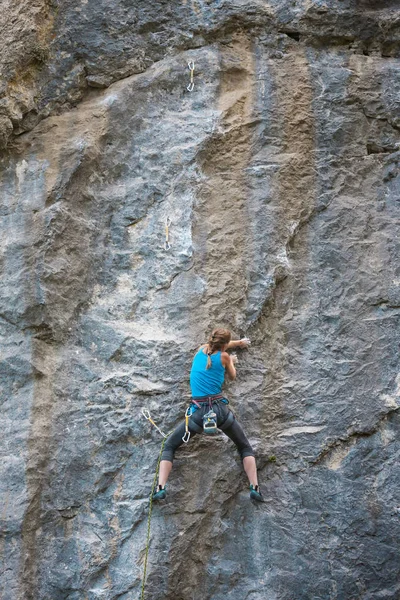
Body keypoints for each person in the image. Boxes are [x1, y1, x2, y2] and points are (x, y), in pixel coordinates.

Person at [152, 328, 263, 502]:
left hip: (199, 413)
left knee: (170, 446)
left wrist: (237, 345)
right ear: (225, 346)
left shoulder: (201, 350)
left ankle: (160, 488)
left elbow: (221, 347)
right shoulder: (225, 357)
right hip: (220, 411)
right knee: (244, 447)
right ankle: (255, 488)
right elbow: (232, 376)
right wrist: (230, 362)